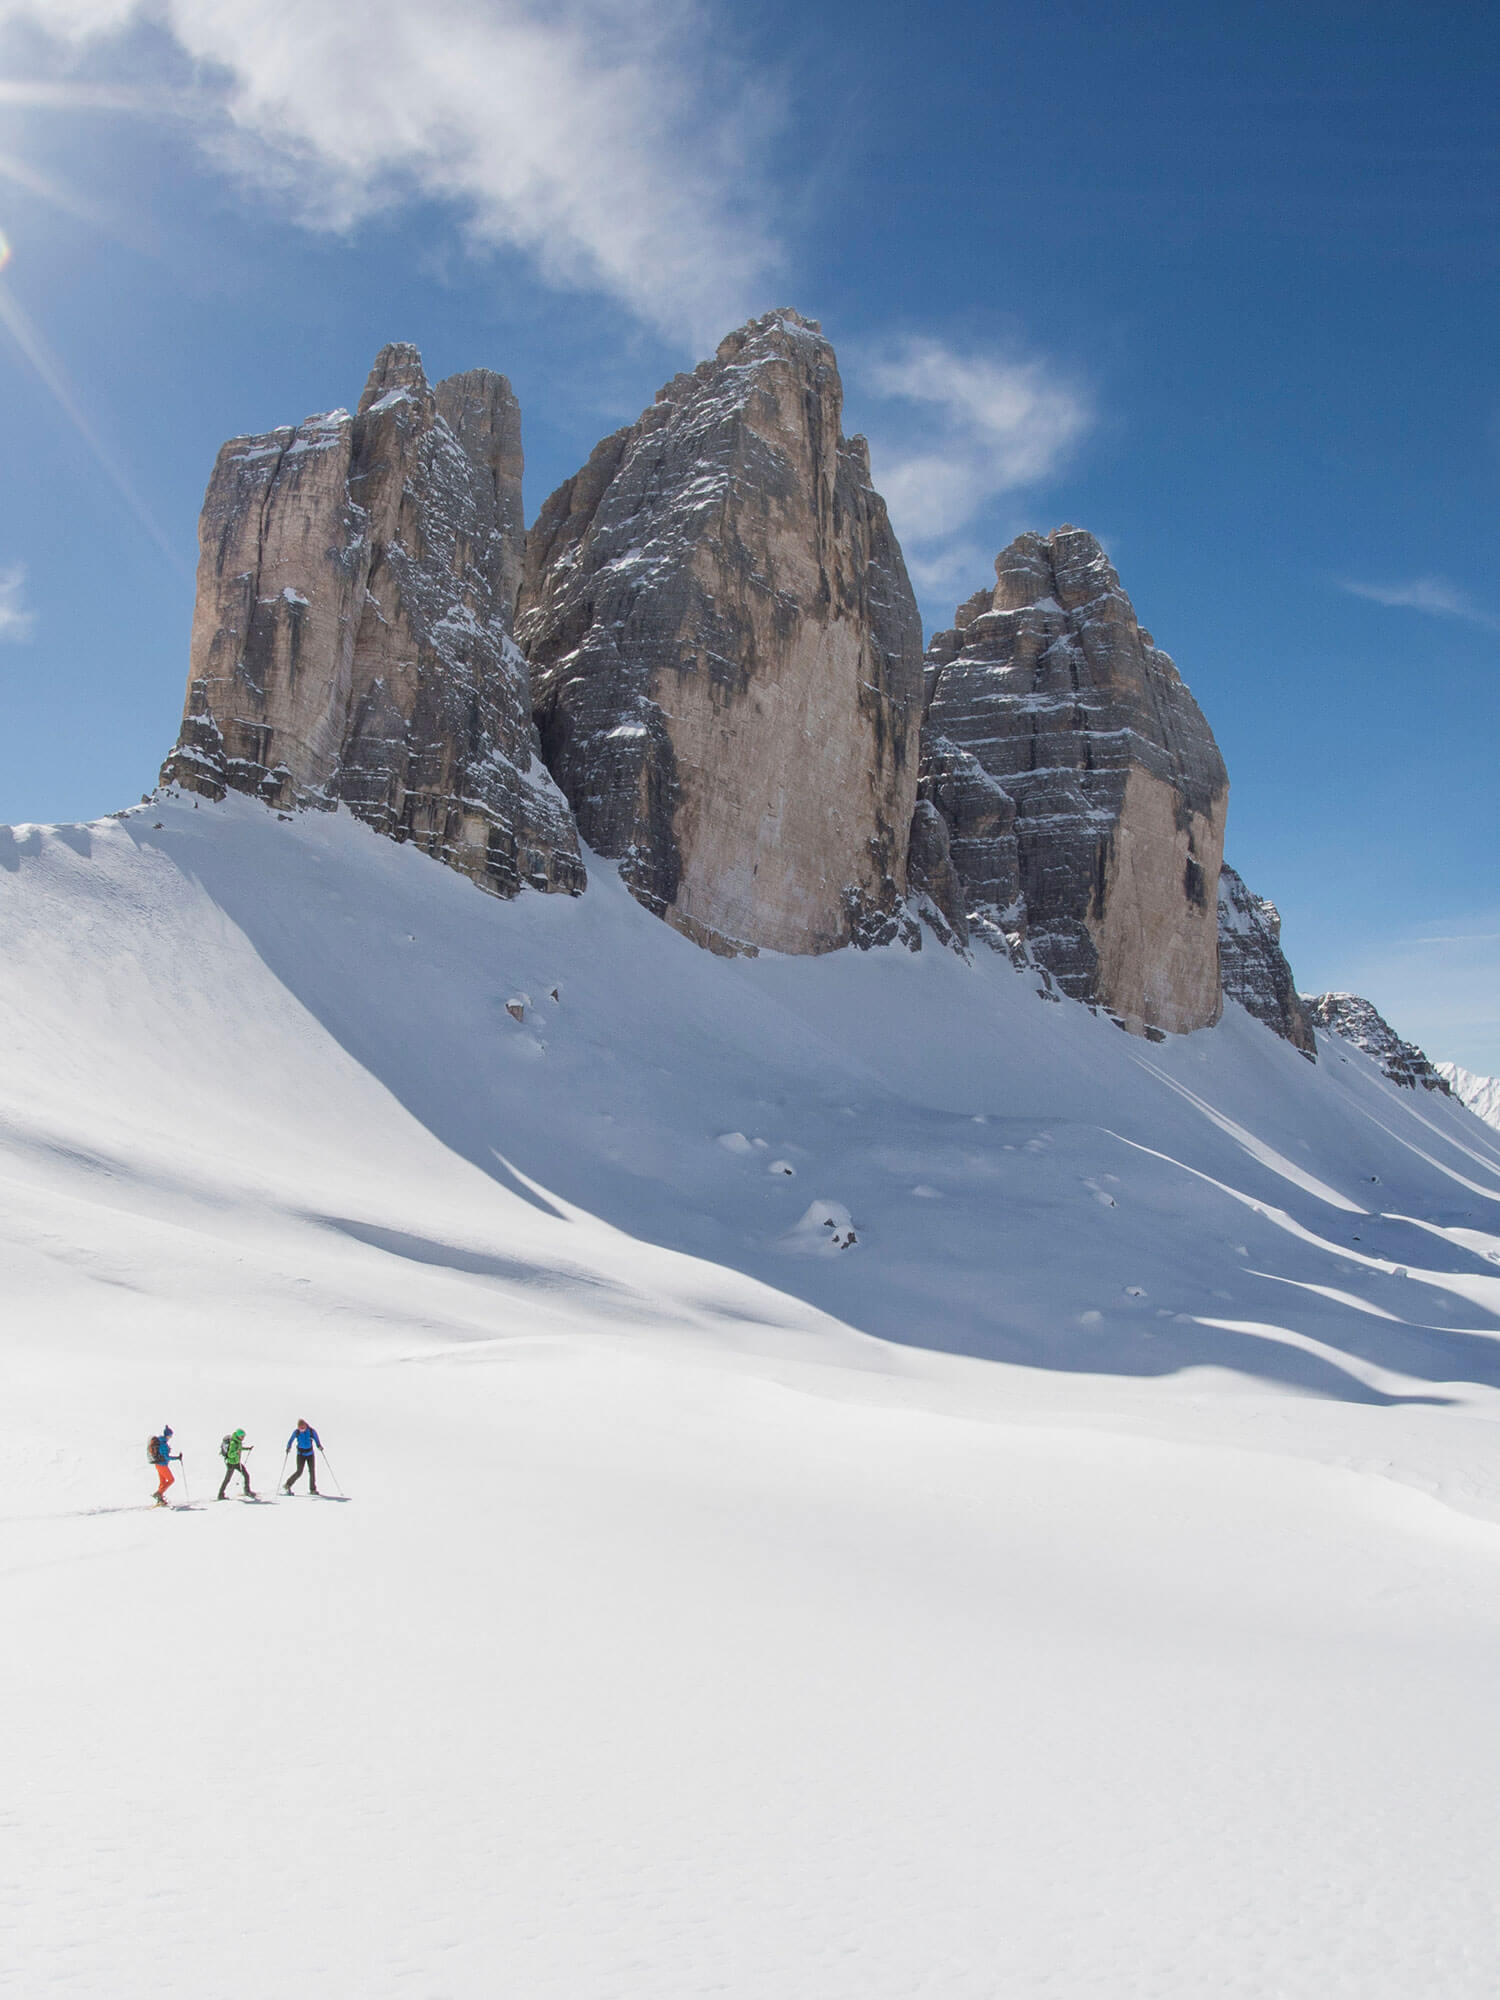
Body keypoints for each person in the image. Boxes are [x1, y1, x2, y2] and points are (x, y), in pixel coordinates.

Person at [284, 1418, 323, 1494]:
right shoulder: (296, 1432)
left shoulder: (311, 1431)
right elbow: (291, 1440)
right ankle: (288, 1484)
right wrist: (288, 1447)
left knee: (312, 1471)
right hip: (300, 1454)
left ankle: (313, 1489)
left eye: (303, 1428)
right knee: (299, 1471)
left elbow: (316, 1438)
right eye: (300, 1428)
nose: (301, 1429)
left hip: (310, 1454)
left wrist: (319, 1446)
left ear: (305, 1425)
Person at [217, 1428, 256, 1501]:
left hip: (237, 1462)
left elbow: (239, 1448)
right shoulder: (233, 1443)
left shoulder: (238, 1441)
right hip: (231, 1464)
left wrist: (247, 1449)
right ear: (238, 1436)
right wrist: (236, 1453)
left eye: (244, 1436)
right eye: (242, 1436)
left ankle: (247, 1491)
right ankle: (220, 1494)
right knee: (227, 1479)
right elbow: (230, 1454)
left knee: (246, 1475)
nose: (243, 1438)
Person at [149, 1426, 179, 1507]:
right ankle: (158, 1494)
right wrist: (177, 1458)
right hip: (162, 1465)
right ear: (167, 1435)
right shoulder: (163, 1444)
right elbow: (166, 1457)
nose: (171, 1437)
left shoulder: (160, 1441)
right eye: (170, 1435)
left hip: (158, 1464)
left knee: (162, 1482)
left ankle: (160, 1499)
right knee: (171, 1479)